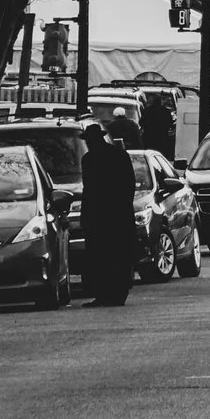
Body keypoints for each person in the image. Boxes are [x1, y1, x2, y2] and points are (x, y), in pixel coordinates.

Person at [80, 122, 136, 306]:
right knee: (119, 254)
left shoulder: (89, 159)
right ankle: (119, 292)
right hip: (119, 214)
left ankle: (105, 293)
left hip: (100, 215)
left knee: (101, 256)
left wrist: (85, 216)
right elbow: (129, 184)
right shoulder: (119, 155)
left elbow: (88, 190)